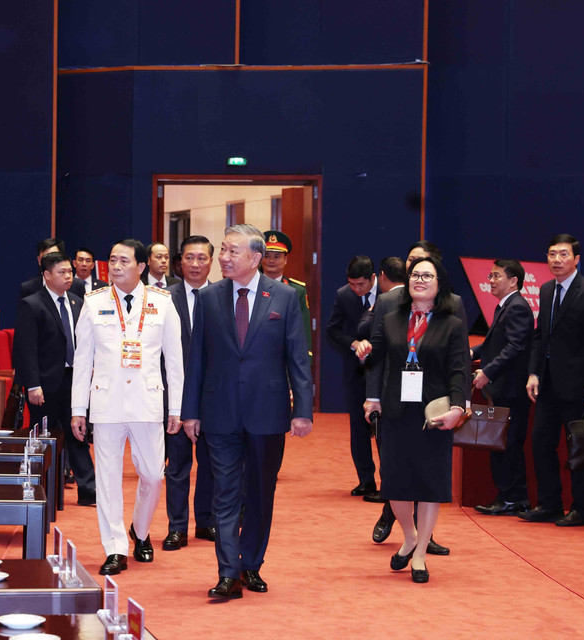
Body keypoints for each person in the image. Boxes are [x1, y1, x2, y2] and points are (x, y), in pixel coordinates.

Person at [182, 224, 313, 599]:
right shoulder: (208, 298)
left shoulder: (285, 297)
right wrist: (190, 411)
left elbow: (297, 358)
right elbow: (197, 361)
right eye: (223, 250)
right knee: (225, 492)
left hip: (267, 412)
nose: (223, 257)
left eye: (232, 251)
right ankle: (228, 573)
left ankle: (250, 564)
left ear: (255, 258)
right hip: (218, 411)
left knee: (259, 492)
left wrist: (302, 409)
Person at [70, 239, 184, 576]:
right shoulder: (93, 303)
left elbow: (174, 361)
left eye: (124, 261)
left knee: (152, 474)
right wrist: (79, 408)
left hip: (148, 401)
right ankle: (115, 547)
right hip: (106, 401)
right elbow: (82, 360)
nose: (116, 267)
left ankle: (140, 530)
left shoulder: (163, 304)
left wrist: (175, 407)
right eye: (112, 260)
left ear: (142, 266)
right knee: (107, 478)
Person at [362, 256, 470, 583]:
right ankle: (408, 536)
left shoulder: (451, 323)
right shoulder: (393, 318)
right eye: (415, 275)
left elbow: (459, 368)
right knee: (395, 482)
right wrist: (364, 349)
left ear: (439, 285)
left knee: (429, 484)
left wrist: (458, 407)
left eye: (427, 276)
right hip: (397, 411)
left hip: (433, 414)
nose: (419, 280)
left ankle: (421, 551)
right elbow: (376, 358)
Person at [520, 234, 584, 527]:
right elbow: (539, 336)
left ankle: (581, 510)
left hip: (579, 387)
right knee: (541, 443)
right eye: (552, 254)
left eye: (563, 255)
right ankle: (549, 504)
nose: (556, 260)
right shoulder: (545, 290)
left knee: (578, 449)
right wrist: (533, 372)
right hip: (546, 384)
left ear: (577, 259)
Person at [13, 252, 96, 506]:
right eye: (62, 272)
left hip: (74, 379)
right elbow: (26, 349)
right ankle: (41, 487)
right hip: (45, 384)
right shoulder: (32, 304)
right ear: (47, 275)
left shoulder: (76, 302)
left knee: (78, 433)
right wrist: (33, 384)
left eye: (69, 272)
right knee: (44, 437)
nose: (68, 276)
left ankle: (89, 489)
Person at [162, 235, 216, 551]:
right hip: (174, 396)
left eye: (201, 258)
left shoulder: (223, 297)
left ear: (211, 262)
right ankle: (177, 527)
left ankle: (205, 522)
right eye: (189, 258)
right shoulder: (163, 298)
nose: (195, 264)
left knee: (210, 464)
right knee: (178, 465)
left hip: (211, 396)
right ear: (180, 261)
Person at [471, 259, 532, 516]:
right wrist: (471, 351)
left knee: (508, 444)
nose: (491, 280)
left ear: (513, 281)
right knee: (503, 444)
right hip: (503, 388)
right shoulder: (505, 306)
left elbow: (515, 347)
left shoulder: (517, 307)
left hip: (511, 389)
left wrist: (488, 371)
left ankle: (511, 499)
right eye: (490, 275)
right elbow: (495, 342)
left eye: (496, 276)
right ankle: (511, 497)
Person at [326, 256, 380, 502]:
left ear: (372, 278)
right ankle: (366, 480)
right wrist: (353, 343)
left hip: (382, 371)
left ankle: (390, 480)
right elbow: (332, 330)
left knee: (383, 428)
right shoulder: (344, 295)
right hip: (355, 372)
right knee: (358, 427)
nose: (356, 290)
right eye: (352, 284)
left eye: (360, 284)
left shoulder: (389, 296)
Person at [261, 230, 312, 357]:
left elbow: (303, 327)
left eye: (277, 256)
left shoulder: (297, 290)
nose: (271, 260)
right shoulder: (250, 286)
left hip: (284, 356)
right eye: (267, 256)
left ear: (285, 259)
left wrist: (306, 357)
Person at [19, 238, 86, 299]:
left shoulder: (77, 285)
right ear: (39, 260)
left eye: (55, 256)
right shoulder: (29, 288)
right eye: (46, 257)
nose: (51, 261)